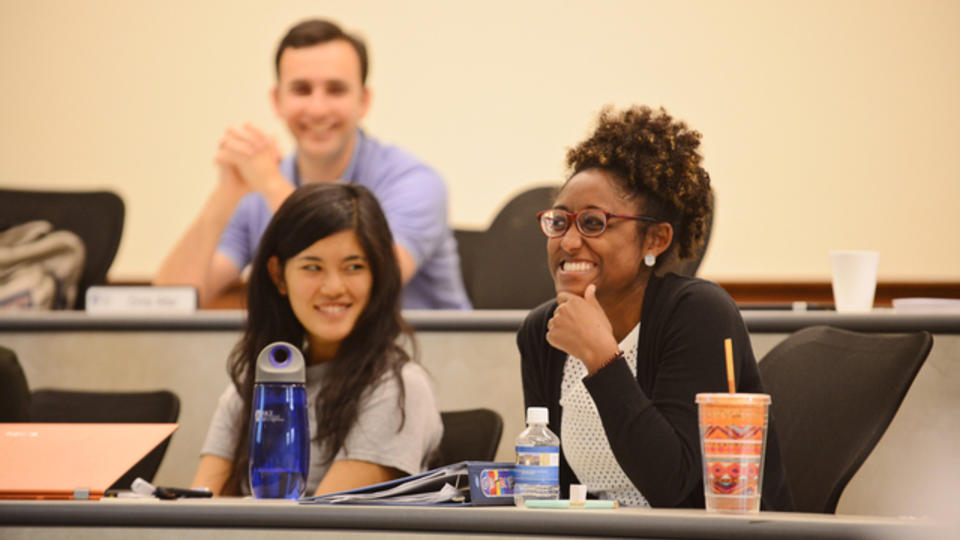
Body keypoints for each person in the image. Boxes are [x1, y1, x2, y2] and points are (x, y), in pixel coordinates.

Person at [517, 106, 793, 510]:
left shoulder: (698, 314)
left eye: (593, 223)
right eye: (560, 222)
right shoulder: (544, 331)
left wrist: (601, 357)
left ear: (655, 240)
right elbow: (554, 492)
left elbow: (675, 486)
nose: (569, 242)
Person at [155, 18, 471, 310]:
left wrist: (269, 184)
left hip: (430, 365)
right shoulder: (259, 192)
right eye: (301, 90)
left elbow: (371, 285)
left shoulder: (415, 183)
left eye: (336, 90)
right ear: (277, 100)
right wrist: (225, 194)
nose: (317, 108)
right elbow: (171, 303)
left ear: (364, 100)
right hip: (313, 365)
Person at [192, 183, 443, 496]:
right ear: (278, 275)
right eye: (313, 267)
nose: (334, 287)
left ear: (377, 275)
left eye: (354, 266)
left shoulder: (398, 387)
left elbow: (321, 527)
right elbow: (201, 509)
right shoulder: (252, 383)